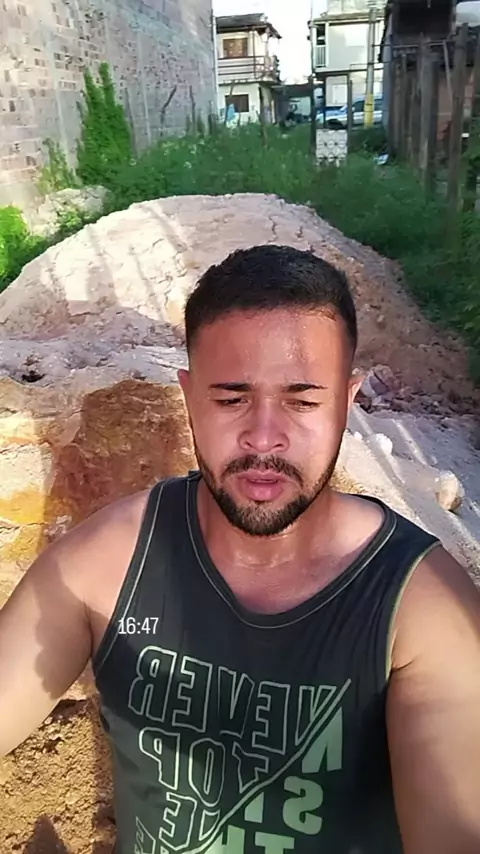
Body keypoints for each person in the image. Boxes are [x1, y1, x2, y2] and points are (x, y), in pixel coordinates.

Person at [1, 245, 480, 854]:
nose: (263, 437)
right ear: (189, 397)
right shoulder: (107, 562)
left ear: (346, 402)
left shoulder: (423, 610)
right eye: (231, 399)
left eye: (302, 401)